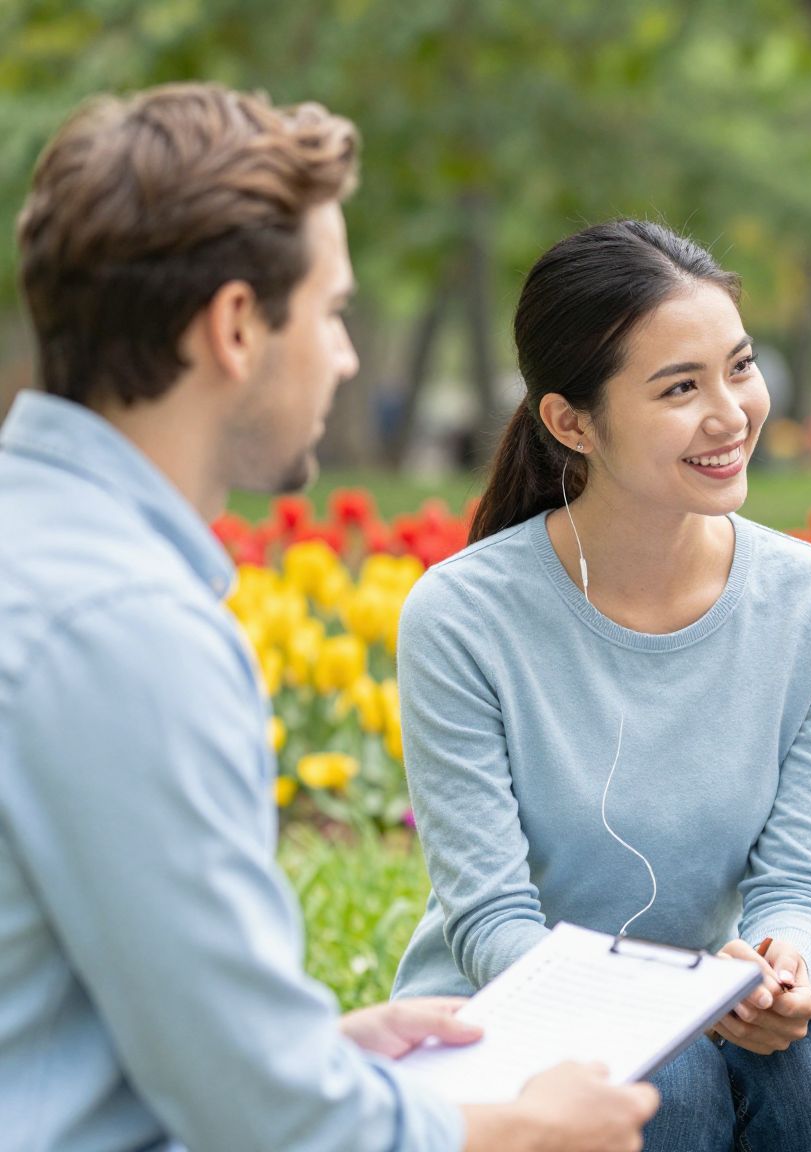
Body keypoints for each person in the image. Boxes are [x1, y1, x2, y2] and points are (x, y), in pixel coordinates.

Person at [0, 83, 655, 1151]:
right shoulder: (124, 631)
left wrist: (317, 1049)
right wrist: (518, 1129)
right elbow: (264, 1119)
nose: (346, 356)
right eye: (334, 312)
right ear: (235, 327)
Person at [389, 219, 811, 1151]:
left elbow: (799, 879)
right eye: (679, 388)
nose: (730, 412)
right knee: (670, 1078)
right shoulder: (463, 617)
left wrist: (785, 963)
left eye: (740, 367)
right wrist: (653, 1012)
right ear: (572, 422)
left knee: (810, 1079)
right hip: (500, 1023)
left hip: (710, 1009)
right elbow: (489, 921)